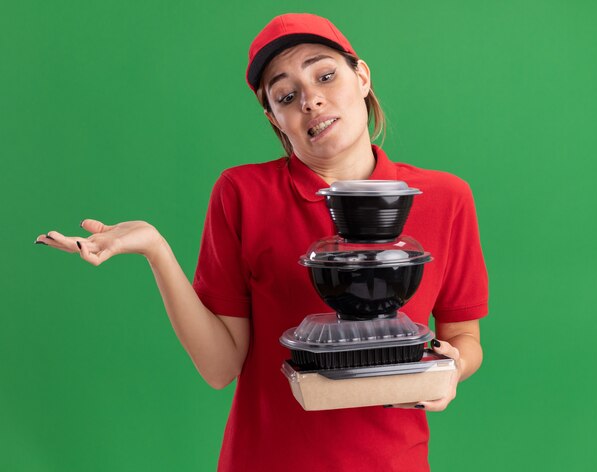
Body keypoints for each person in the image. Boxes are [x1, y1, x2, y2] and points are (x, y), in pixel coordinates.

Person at [35, 13, 488, 471]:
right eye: (287, 95)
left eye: (325, 75)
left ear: (362, 77)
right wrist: (157, 250)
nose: (311, 100)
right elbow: (220, 368)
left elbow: (464, 336)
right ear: (274, 117)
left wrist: (452, 370)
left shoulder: (446, 198)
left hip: (393, 461)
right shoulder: (242, 194)